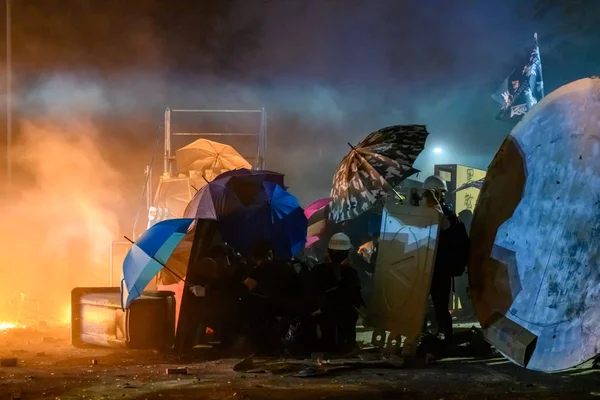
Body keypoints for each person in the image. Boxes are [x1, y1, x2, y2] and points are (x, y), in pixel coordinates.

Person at [422, 174, 460, 345]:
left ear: (437, 194)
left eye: (428, 195)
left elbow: (447, 231)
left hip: (440, 269)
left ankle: (448, 338)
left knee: (440, 306)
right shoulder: (423, 214)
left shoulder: (448, 215)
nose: (425, 199)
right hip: (423, 266)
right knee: (418, 304)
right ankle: (421, 334)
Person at [312, 232, 364, 353]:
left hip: (323, 320)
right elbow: (356, 299)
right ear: (347, 252)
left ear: (329, 251)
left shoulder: (318, 270)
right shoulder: (351, 273)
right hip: (344, 322)